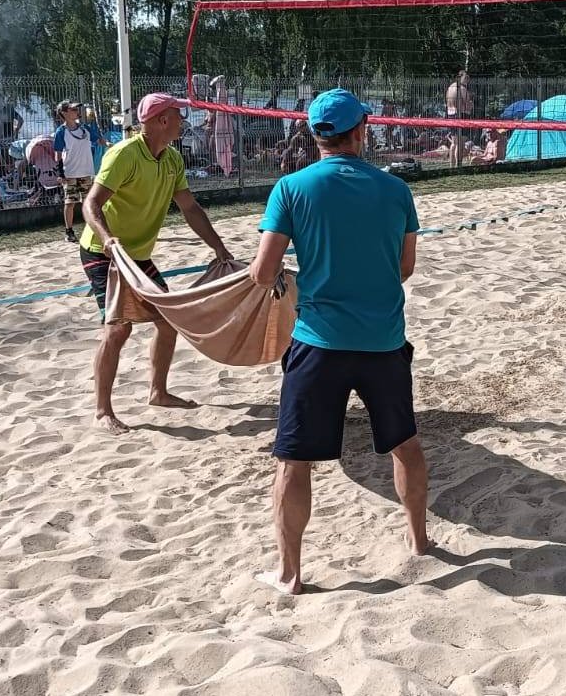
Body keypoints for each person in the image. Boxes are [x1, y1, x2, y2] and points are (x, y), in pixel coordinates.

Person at [247, 89, 429, 595]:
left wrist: (294, 274)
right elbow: (405, 269)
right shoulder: (396, 190)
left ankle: (290, 574)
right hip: (383, 341)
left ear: (314, 135)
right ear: (361, 131)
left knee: (294, 459)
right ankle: (419, 541)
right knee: (405, 443)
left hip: (318, 342)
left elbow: (262, 274)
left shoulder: (291, 187)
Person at [80, 92, 235, 434]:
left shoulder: (172, 159)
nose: (184, 120)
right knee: (118, 328)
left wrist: (219, 247)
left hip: (137, 255)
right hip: (102, 252)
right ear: (163, 120)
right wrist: (108, 239)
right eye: (179, 114)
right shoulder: (124, 154)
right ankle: (102, 412)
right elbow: (90, 204)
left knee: (168, 320)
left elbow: (190, 208)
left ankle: (158, 392)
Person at [54, 100, 101, 242]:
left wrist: (111, 145)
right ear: (64, 113)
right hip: (70, 173)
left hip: (86, 172)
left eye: (76, 109)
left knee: (88, 202)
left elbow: (98, 140)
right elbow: (57, 154)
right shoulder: (61, 132)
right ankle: (69, 231)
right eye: (73, 109)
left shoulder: (84, 128)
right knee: (70, 202)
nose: (76, 112)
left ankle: (91, 229)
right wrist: (60, 173)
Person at [445, 69, 473, 165]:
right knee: (460, 143)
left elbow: (447, 102)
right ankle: (458, 165)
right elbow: (467, 105)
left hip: (451, 114)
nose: (467, 80)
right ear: (460, 77)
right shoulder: (462, 89)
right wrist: (471, 104)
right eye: (466, 77)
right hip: (461, 115)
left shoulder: (450, 88)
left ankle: (451, 165)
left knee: (454, 143)